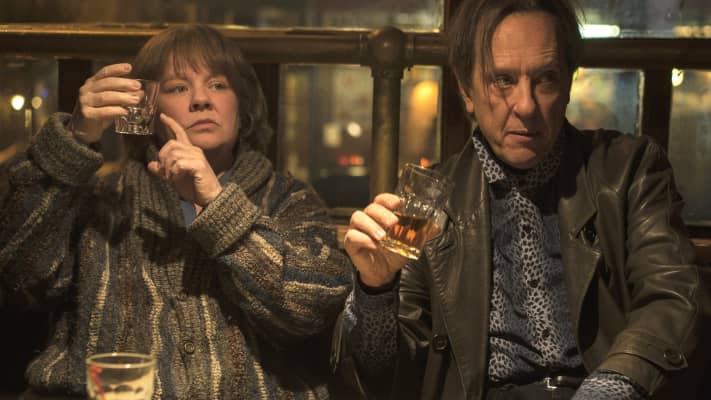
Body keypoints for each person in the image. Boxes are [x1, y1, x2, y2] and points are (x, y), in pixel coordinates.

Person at [332, 0, 711, 399]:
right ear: (466, 90)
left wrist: (613, 386)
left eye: (545, 79)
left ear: (568, 83)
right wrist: (375, 290)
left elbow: (672, 297)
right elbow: (386, 373)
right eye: (503, 80)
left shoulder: (629, 169)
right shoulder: (431, 202)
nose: (526, 105)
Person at [0, 24, 352, 399]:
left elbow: (311, 310)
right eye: (178, 88)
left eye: (218, 85)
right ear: (147, 109)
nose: (201, 100)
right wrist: (72, 143)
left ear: (242, 106)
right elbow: (23, 279)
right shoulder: (104, 200)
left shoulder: (288, 199)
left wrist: (218, 204)